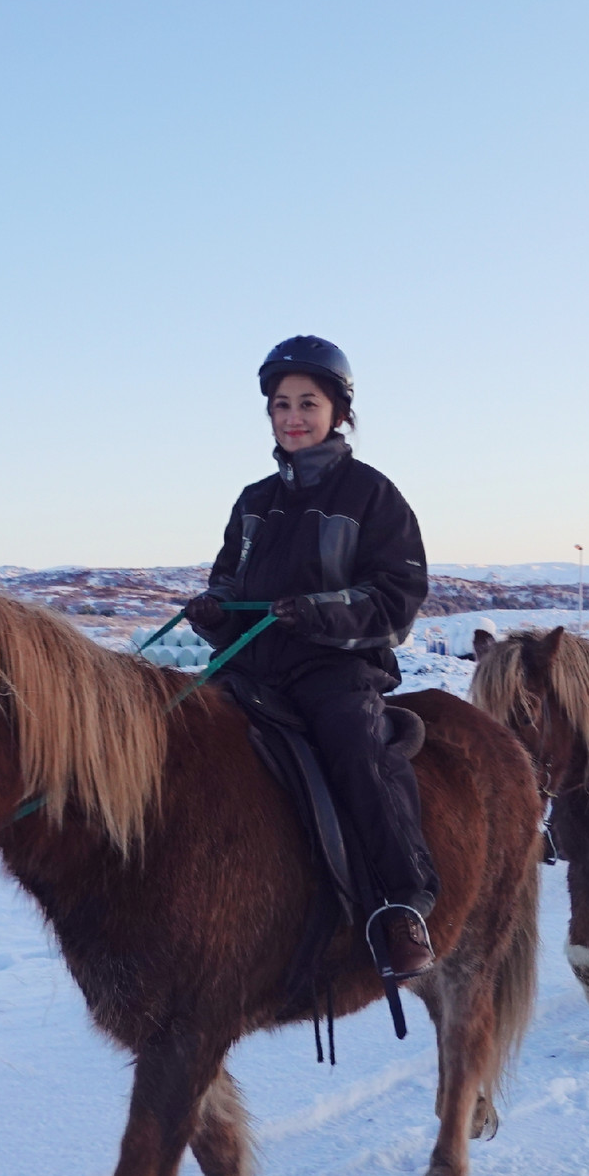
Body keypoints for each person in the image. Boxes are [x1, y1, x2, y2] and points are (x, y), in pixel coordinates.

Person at [183, 335, 440, 977]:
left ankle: (402, 902)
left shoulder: (373, 496)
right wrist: (215, 608)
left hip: (336, 668)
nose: (293, 417)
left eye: (308, 403)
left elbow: (398, 595)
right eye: (281, 405)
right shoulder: (253, 502)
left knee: (354, 750)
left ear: (338, 412)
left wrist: (321, 611)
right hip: (251, 669)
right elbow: (228, 580)